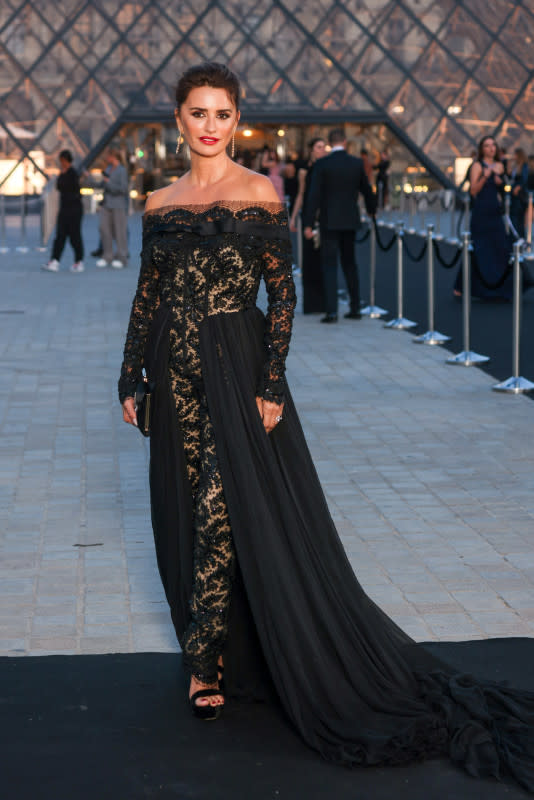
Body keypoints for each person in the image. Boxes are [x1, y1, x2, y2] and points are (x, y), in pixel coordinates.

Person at [118, 63, 534, 791]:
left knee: (221, 508)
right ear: (177, 119)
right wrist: (130, 374)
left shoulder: (259, 192)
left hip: (236, 366)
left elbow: (283, 293)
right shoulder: (158, 201)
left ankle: (204, 660)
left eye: (222, 113)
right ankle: (219, 643)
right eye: (197, 112)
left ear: (236, 117)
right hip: (171, 372)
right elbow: (146, 294)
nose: (209, 125)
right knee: (181, 508)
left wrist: (271, 379)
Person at [302, 128, 376, 322]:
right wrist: (371, 209)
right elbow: (367, 190)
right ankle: (355, 307)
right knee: (350, 264)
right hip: (350, 220)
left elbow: (314, 196)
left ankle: (332, 311)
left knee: (329, 265)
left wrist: (308, 222)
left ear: (330, 143)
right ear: (344, 142)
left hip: (329, 221)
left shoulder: (322, 164)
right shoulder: (356, 163)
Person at [454, 136, 512, 300]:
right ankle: (464, 287)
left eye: (493, 145)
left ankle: (499, 287)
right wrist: (485, 176)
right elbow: (473, 191)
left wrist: (501, 183)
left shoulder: (501, 165)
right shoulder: (477, 166)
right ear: (482, 149)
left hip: (495, 211)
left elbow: (504, 188)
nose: (491, 148)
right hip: (481, 212)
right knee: (480, 249)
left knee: (500, 247)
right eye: (487, 146)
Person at [289, 137, 326, 312]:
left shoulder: (327, 167)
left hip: (325, 217)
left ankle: (325, 300)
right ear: (311, 150)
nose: (322, 150)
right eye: (319, 147)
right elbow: (301, 194)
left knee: (324, 259)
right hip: (309, 217)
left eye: (324, 147)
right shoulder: (305, 171)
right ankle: (311, 303)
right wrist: (294, 217)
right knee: (309, 259)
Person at [42, 149, 84, 273]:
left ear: (66, 160)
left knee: (74, 236)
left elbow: (74, 191)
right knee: (60, 235)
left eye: (62, 161)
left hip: (74, 210)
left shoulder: (73, 173)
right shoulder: (63, 173)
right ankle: (55, 260)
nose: (61, 163)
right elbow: (59, 187)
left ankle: (79, 261)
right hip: (64, 209)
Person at [95, 149, 129, 269]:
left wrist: (108, 183)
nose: (106, 158)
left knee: (120, 232)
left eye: (107, 156)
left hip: (118, 205)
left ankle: (121, 257)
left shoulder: (122, 170)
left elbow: (123, 189)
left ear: (113, 156)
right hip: (106, 204)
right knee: (104, 230)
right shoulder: (108, 169)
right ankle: (107, 255)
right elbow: (103, 184)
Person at [510, 147, 529, 239]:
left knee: (518, 218)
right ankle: (516, 237)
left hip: (520, 196)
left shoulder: (524, 166)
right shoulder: (516, 166)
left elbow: (525, 179)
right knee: (514, 217)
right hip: (514, 195)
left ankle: (520, 238)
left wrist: (518, 187)